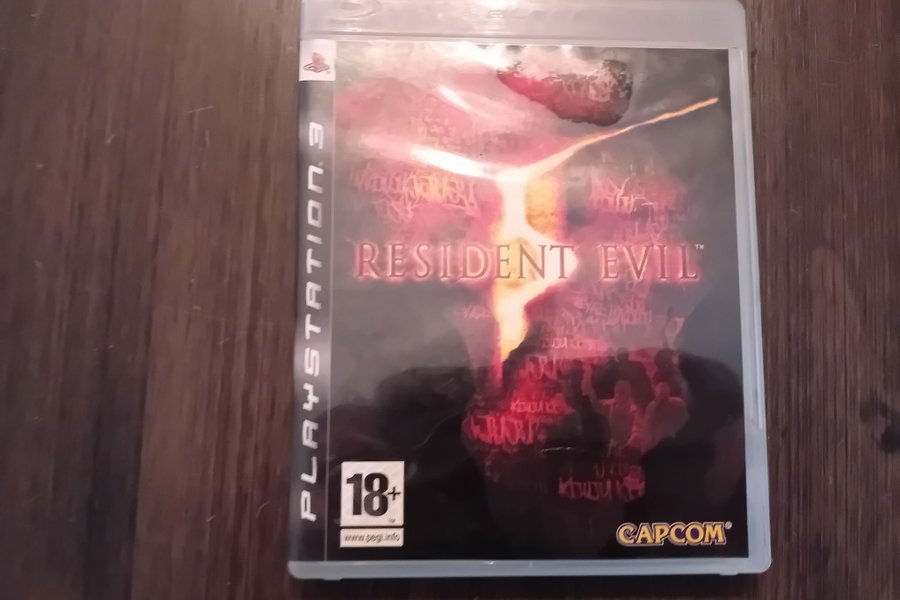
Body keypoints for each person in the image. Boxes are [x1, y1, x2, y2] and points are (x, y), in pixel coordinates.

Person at [640, 381, 688, 452]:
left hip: (671, 433)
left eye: (665, 389)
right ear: (656, 392)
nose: (663, 392)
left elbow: (683, 417)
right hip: (657, 434)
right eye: (660, 390)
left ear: (669, 391)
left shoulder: (676, 403)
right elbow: (647, 424)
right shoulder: (652, 406)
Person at [598, 380, 643, 450]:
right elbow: (598, 405)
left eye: (622, 393)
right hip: (612, 444)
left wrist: (628, 446)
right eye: (617, 392)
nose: (618, 395)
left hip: (628, 447)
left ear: (629, 394)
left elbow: (638, 432)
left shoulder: (634, 411)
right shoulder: (610, 405)